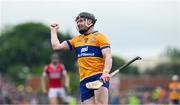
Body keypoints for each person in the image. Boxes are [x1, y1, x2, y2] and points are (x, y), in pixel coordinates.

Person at [50, 12, 112, 104]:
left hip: (98, 76)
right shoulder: (76, 40)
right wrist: (53, 31)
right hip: (84, 80)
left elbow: (108, 55)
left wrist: (106, 72)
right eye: (77, 22)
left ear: (90, 21)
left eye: (81, 21)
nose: (79, 24)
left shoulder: (100, 37)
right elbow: (56, 47)